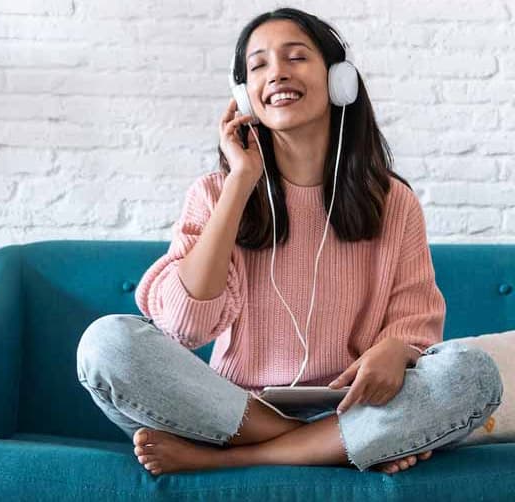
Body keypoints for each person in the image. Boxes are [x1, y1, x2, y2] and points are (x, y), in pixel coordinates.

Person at [76, 8, 503, 476]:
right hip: (233, 413)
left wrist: (397, 349)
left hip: (352, 409)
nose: (276, 72)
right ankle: (329, 450)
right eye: (258, 65)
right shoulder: (216, 193)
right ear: (244, 96)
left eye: (295, 57)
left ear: (340, 81)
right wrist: (240, 182)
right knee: (106, 344)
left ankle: (237, 460)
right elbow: (184, 326)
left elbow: (415, 330)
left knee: (472, 374)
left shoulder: (393, 201)